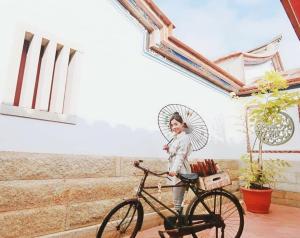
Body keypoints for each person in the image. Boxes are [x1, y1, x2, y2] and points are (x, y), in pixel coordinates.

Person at [163, 112, 192, 214]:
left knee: (177, 201)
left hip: (181, 171)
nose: (173, 127)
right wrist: (168, 149)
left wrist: (174, 170)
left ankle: (180, 224)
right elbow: (174, 153)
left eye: (176, 124)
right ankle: (180, 222)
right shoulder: (176, 137)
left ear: (182, 124)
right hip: (175, 171)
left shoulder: (184, 138)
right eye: (172, 125)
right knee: (177, 201)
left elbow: (180, 155)